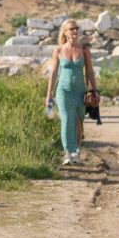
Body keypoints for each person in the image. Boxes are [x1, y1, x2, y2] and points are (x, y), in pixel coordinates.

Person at [46, 19, 98, 165]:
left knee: (79, 122)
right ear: (65, 32)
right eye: (71, 29)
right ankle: (68, 153)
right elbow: (53, 73)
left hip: (80, 91)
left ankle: (76, 152)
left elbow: (90, 71)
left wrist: (94, 90)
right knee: (67, 120)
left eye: (76, 28)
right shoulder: (58, 50)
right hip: (63, 91)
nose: (75, 31)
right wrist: (49, 94)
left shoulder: (84, 50)